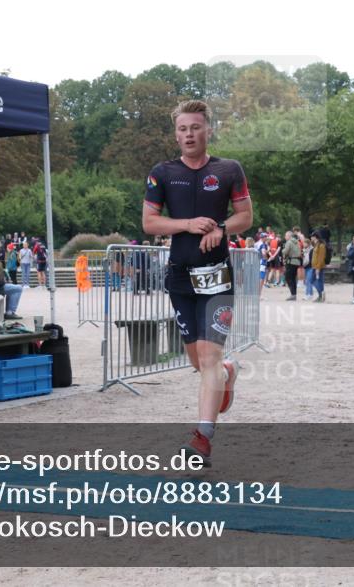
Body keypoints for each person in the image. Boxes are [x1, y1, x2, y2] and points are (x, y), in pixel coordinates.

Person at [142, 99, 253, 465]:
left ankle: (202, 439)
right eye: (182, 129)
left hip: (216, 277)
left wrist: (220, 229)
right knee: (197, 360)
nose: (188, 135)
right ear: (176, 134)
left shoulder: (228, 170)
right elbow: (150, 223)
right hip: (179, 277)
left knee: (208, 356)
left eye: (195, 128)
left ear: (208, 130)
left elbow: (245, 216)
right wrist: (186, 225)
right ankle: (227, 373)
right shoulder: (162, 172)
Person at [282, 230, 302, 301]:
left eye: (285, 236)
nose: (285, 237)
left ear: (289, 236)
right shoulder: (297, 242)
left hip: (290, 262)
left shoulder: (289, 242)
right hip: (296, 262)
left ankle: (293, 294)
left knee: (288, 278)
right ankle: (294, 294)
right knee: (293, 278)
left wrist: (282, 250)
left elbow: (285, 251)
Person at [311, 233, 328, 303]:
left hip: (318, 266)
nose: (311, 238)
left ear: (315, 237)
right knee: (319, 281)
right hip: (315, 266)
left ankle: (321, 293)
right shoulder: (316, 245)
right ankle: (320, 296)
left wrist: (318, 268)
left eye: (312, 237)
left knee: (313, 280)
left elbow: (321, 258)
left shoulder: (321, 246)